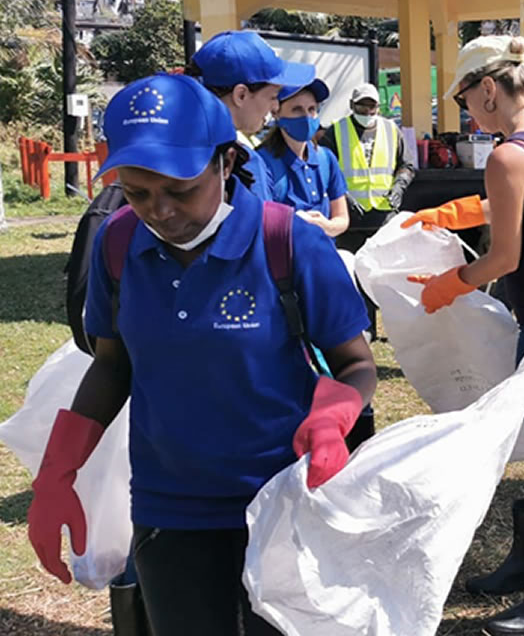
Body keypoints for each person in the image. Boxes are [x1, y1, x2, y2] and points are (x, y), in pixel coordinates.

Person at [26, 73, 376, 636]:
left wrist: (334, 418)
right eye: (138, 193)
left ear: (226, 162)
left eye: (180, 189)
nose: (160, 211)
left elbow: (355, 363)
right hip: (169, 509)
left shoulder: (288, 243)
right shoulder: (118, 244)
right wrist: (57, 470)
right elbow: (113, 365)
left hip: (281, 500)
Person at [401, 35, 524, 636]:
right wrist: (451, 214)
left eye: (465, 98)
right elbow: (520, 206)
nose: (467, 112)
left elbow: (505, 258)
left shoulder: (509, 155)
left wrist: (449, 285)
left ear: (488, 87)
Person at [186, 30, 315, 203]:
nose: (275, 106)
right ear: (241, 95)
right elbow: (260, 219)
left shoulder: (171, 146)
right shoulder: (245, 163)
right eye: (273, 96)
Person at [318, 83, 416, 253]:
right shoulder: (337, 131)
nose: (367, 112)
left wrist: (399, 187)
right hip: (351, 220)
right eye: (362, 106)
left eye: (372, 107)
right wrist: (343, 195)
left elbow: (407, 165)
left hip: (384, 217)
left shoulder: (391, 130)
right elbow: (323, 169)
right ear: (352, 105)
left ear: (378, 107)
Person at [257, 78, 350, 239]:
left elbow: (342, 218)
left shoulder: (326, 159)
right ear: (276, 113)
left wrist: (327, 226)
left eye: (311, 109)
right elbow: (260, 225)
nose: (306, 117)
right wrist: (294, 224)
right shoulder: (262, 163)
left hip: (323, 251)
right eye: (297, 109)